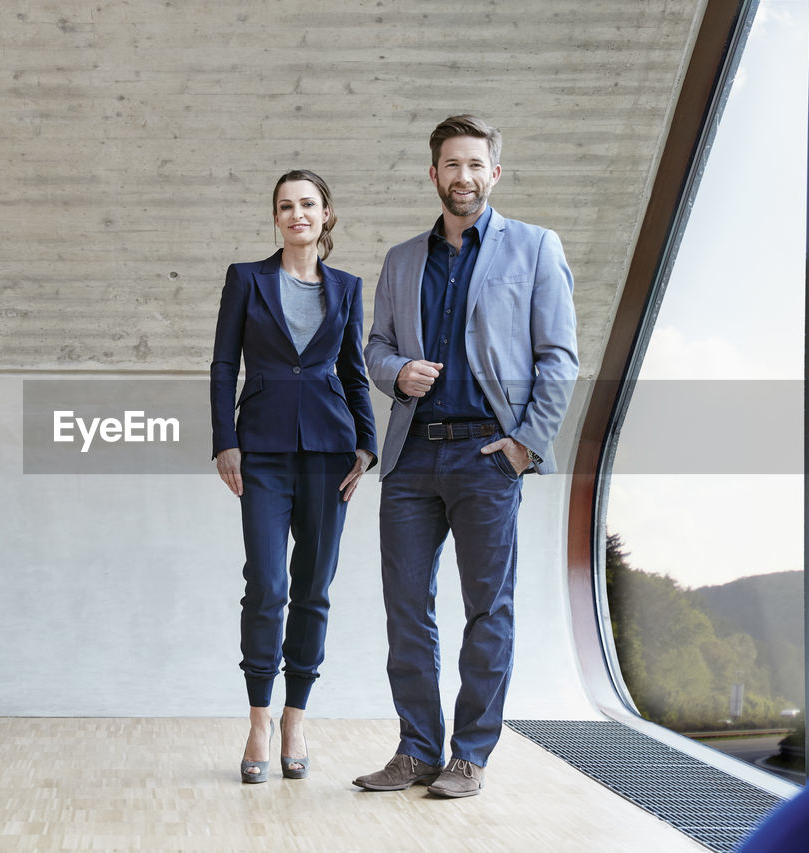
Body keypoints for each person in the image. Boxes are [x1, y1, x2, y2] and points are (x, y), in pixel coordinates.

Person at [353, 115, 579, 798]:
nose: (464, 176)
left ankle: (470, 754)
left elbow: (559, 358)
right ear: (434, 175)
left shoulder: (536, 248)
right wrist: (397, 372)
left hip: (487, 455)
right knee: (407, 610)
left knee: (489, 609)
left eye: (475, 164)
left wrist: (523, 447)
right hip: (413, 457)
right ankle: (417, 750)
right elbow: (374, 348)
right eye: (451, 164)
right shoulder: (401, 260)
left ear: (494, 173)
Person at [211, 169, 378, 783]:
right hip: (261, 448)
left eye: (308, 204)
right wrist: (224, 439)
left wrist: (367, 443)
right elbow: (224, 361)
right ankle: (258, 719)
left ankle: (295, 718)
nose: (297, 214)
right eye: (286, 205)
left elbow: (354, 371)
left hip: (331, 452)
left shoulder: (348, 286)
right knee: (267, 584)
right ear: (276, 217)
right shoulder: (246, 279)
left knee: (314, 587)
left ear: (326, 215)